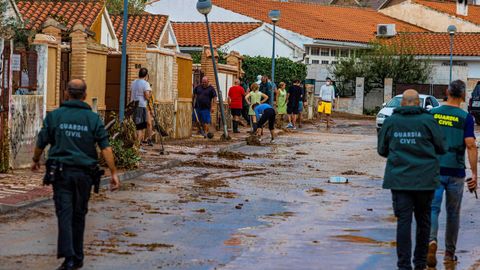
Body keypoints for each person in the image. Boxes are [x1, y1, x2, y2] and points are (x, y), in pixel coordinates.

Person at [31, 79, 120, 270]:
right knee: (79, 214)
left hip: (61, 174)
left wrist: (35, 160)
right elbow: (106, 148)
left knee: (65, 212)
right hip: (84, 176)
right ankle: (76, 256)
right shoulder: (93, 119)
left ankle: (71, 257)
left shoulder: (55, 116)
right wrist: (114, 173)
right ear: (85, 95)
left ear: (66, 93)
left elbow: (41, 140)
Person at [378, 89, 446, 270]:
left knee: (403, 222)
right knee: (424, 221)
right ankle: (420, 263)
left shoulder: (391, 121)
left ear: (402, 103)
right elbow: (441, 147)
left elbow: (382, 150)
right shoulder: (428, 121)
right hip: (425, 180)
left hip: (400, 181)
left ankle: (403, 265)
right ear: (418, 103)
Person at [427, 80, 478, 268]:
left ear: (447, 91)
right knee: (453, 213)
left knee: (432, 209)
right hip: (456, 171)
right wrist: (474, 174)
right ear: (464, 96)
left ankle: (431, 241)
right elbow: (471, 145)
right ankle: (449, 253)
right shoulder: (466, 118)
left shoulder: (432, 114)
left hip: (434, 170)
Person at [130, 68, 152, 145]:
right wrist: (150, 95)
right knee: (140, 127)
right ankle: (137, 145)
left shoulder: (133, 82)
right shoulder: (145, 83)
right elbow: (146, 96)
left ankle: (137, 144)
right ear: (146, 75)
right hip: (141, 106)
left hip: (133, 105)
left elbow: (131, 93)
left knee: (136, 125)